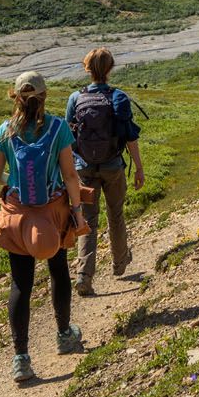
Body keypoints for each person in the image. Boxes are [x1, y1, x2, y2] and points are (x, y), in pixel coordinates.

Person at [0, 70, 89, 384]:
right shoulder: (57, 128)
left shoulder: (5, 130)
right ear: (44, 97)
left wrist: (15, 184)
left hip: (17, 215)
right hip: (53, 212)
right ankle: (64, 335)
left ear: (15, 97)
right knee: (58, 270)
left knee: (21, 284)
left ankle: (21, 358)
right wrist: (77, 213)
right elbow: (71, 176)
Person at [65, 48, 145, 297]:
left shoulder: (75, 99)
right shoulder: (118, 97)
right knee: (116, 214)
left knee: (87, 220)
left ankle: (83, 275)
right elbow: (130, 137)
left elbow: (68, 138)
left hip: (84, 168)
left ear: (87, 69)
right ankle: (119, 263)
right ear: (110, 69)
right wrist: (139, 168)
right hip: (113, 166)